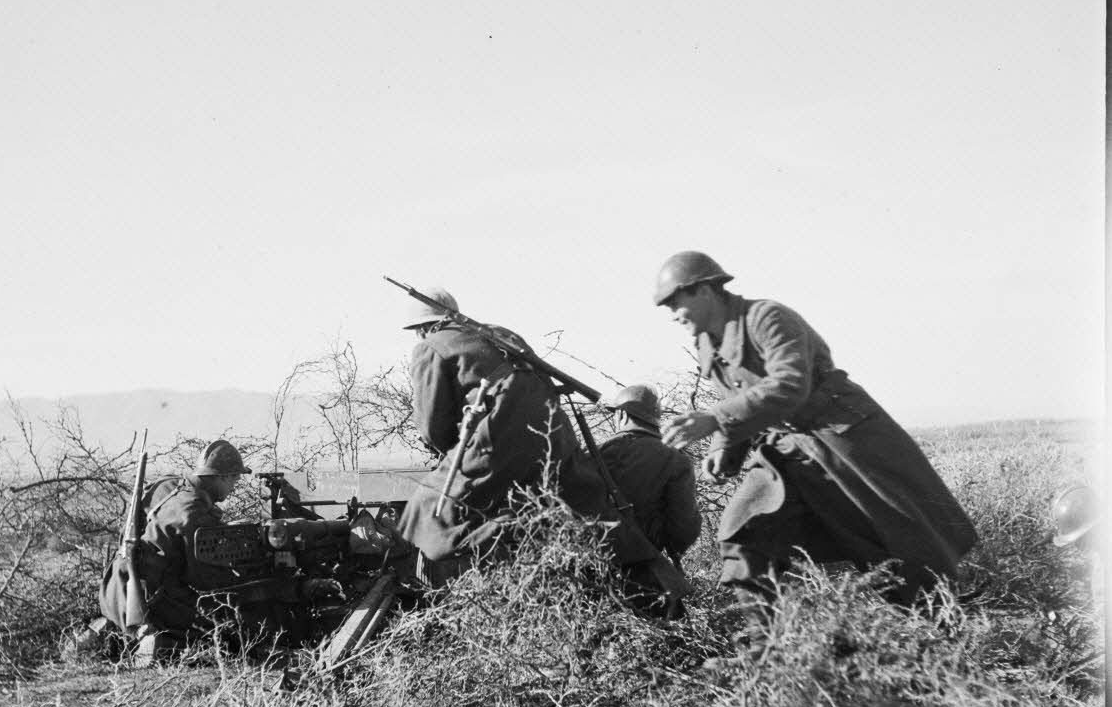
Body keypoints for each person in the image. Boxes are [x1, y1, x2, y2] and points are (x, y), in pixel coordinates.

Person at [654, 251, 977, 607]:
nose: (672, 315)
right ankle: (768, 650)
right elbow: (739, 400)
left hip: (841, 439)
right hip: (783, 451)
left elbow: (790, 384)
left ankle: (939, 626)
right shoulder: (707, 343)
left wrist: (715, 418)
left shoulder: (767, 317)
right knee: (742, 534)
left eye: (675, 303)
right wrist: (723, 448)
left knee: (893, 541)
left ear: (704, 291)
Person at [395, 287, 674, 593]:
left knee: (427, 509)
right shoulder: (502, 335)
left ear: (421, 328)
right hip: (556, 438)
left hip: (497, 441)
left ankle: (466, 590)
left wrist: (453, 454)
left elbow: (433, 429)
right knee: (587, 508)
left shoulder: (430, 348)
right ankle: (654, 585)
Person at [127, 439, 253, 667]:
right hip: (155, 599)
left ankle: (119, 630)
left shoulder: (168, 485)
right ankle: (160, 642)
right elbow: (204, 579)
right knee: (229, 623)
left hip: (121, 587)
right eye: (235, 478)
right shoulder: (195, 513)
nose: (234, 486)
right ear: (221, 476)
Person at [599, 384, 702, 565]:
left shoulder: (596, 453)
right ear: (655, 419)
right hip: (642, 568)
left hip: (588, 562)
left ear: (621, 415)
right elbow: (685, 528)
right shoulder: (676, 459)